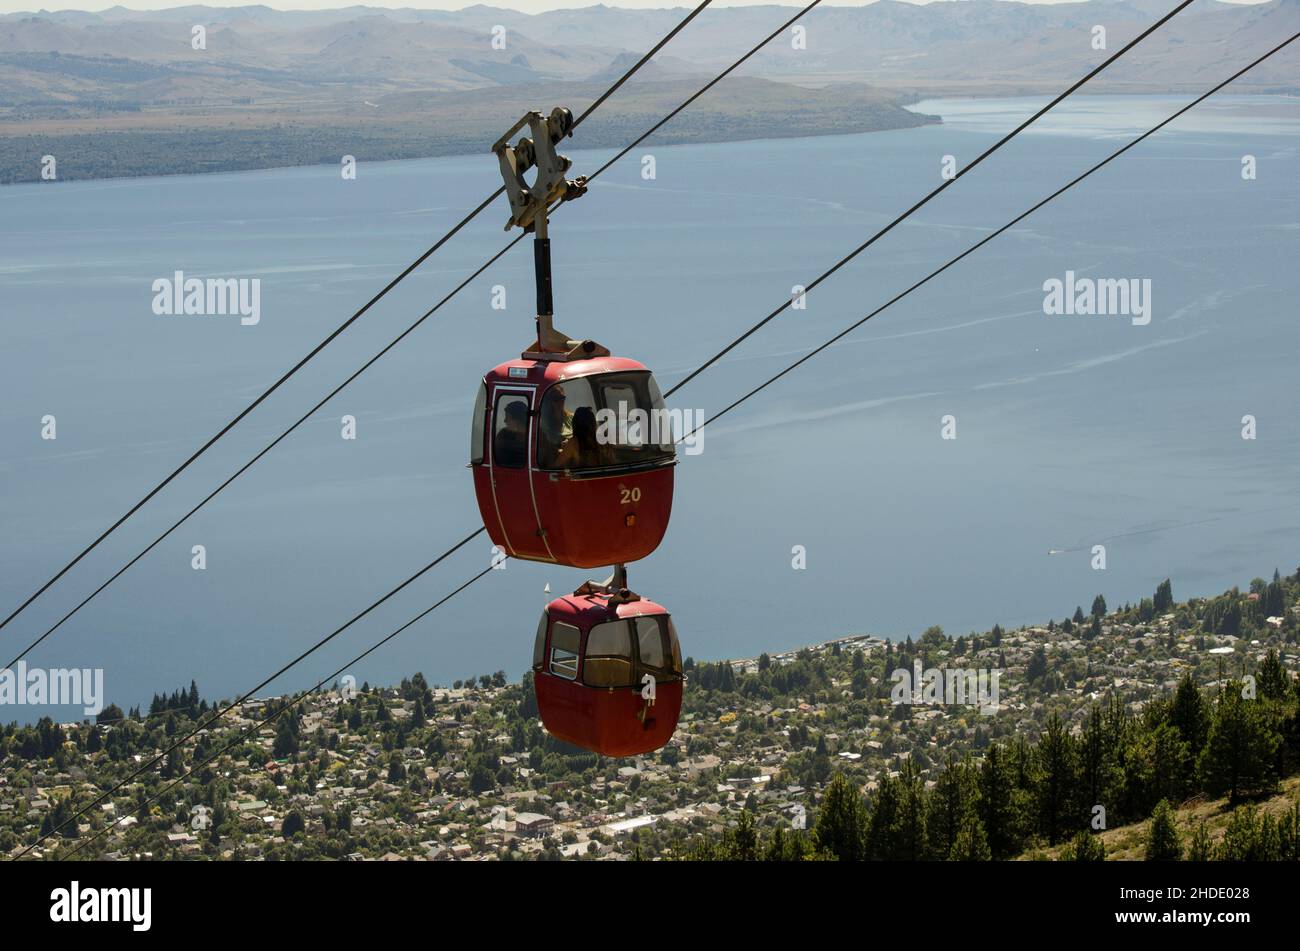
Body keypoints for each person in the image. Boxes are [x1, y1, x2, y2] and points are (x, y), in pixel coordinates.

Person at [536, 384, 573, 468]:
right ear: (549, 402)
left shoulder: (572, 418)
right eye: (556, 399)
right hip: (554, 461)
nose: (560, 402)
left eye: (562, 398)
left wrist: (570, 443)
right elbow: (543, 447)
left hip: (573, 458)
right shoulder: (543, 423)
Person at [493, 399, 529, 467]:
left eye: (508, 417)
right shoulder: (504, 435)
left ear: (517, 420)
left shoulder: (537, 437)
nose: (505, 421)